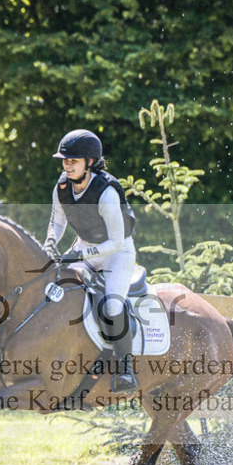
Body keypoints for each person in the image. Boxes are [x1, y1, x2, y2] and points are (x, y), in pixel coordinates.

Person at [43, 129, 138, 393]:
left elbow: (116, 242)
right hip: (85, 247)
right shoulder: (62, 187)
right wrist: (50, 242)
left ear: (90, 162)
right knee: (58, 289)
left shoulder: (106, 192)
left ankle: (126, 370)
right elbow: (57, 222)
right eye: (65, 160)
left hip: (117, 253)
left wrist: (80, 255)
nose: (67, 165)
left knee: (112, 306)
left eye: (73, 160)